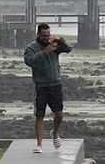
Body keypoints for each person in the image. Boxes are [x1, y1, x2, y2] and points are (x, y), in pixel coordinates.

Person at [23, 23, 72, 153]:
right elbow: (30, 61)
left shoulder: (55, 44)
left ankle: (55, 132)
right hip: (41, 85)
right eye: (44, 36)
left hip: (55, 84)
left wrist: (59, 39)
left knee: (59, 113)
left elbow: (68, 49)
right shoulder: (31, 47)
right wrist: (45, 52)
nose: (46, 38)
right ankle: (39, 144)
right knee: (40, 115)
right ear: (37, 34)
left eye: (48, 35)